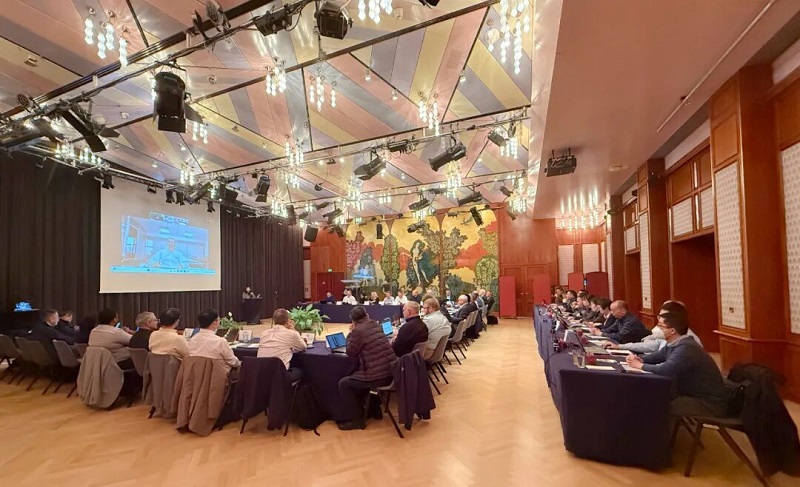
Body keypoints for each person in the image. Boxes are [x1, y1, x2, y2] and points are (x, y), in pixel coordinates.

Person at [626, 305, 729, 417]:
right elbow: (656, 357)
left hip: (707, 402)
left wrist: (640, 365)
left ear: (672, 331)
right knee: (653, 396)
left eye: (661, 325)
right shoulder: (673, 343)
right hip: (689, 393)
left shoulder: (687, 347)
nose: (657, 328)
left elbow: (666, 369)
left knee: (659, 404)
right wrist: (640, 359)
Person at [337, 306, 397, 430]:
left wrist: (350, 333)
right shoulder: (376, 325)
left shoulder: (357, 332)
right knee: (357, 377)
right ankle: (374, 410)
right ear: (367, 315)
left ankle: (356, 419)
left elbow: (350, 352)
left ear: (353, 321)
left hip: (378, 375)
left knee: (344, 384)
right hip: (391, 370)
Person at [605, 301, 703, 353]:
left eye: (664, 317)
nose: (660, 320)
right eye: (659, 317)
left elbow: (666, 366)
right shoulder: (668, 336)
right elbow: (653, 346)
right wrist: (620, 347)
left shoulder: (687, 341)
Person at [257, 308, 306, 382]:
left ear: (274, 320)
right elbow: (303, 347)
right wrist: (294, 330)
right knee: (301, 371)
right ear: (288, 321)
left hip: (261, 375)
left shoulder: (264, 334)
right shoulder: (291, 333)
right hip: (279, 376)